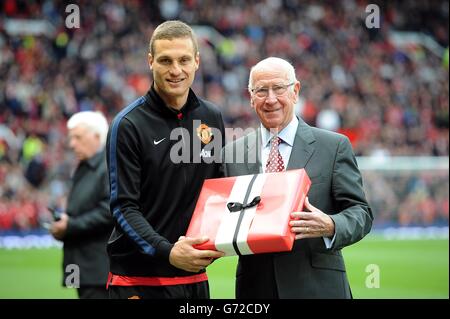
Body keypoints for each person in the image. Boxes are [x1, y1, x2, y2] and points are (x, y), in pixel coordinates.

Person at [222, 57, 373, 299]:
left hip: (318, 288)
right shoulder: (231, 153)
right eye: (261, 90)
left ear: (295, 91)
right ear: (251, 97)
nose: (271, 99)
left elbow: (361, 212)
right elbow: (221, 215)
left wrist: (331, 225)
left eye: (279, 88)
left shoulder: (333, 146)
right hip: (256, 289)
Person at [106, 20, 225, 299]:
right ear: (150, 62)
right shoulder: (128, 124)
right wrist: (168, 251)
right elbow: (124, 206)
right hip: (138, 280)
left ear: (197, 61)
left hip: (194, 277)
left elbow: (218, 191)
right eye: (165, 60)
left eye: (184, 60)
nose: (175, 70)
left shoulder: (211, 117)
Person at [50, 111, 113, 299]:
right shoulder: (85, 166)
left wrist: (70, 225)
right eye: (71, 138)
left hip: (98, 269)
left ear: (97, 136)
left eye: (77, 137)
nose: (71, 144)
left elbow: (109, 210)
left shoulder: (108, 166)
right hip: (84, 267)